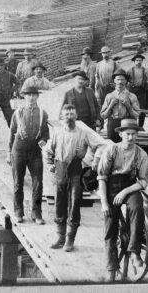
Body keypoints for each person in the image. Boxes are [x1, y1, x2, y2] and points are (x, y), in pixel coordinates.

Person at [43, 104, 105, 252]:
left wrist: (95, 159)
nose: (69, 117)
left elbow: (101, 145)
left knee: (75, 202)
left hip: (76, 170)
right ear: (62, 117)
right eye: (66, 115)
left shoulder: (84, 132)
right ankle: (60, 238)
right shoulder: (57, 133)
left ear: (76, 116)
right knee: (59, 202)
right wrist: (50, 163)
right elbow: (47, 150)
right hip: (60, 168)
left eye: (71, 114)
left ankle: (70, 239)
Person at [97, 118, 148, 282]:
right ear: (120, 134)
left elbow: (143, 182)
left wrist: (126, 191)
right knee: (110, 226)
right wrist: (104, 202)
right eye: (128, 134)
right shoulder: (111, 150)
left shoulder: (141, 154)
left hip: (130, 186)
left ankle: (134, 252)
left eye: (134, 134)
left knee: (137, 207)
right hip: (111, 186)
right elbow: (102, 177)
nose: (131, 137)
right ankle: (112, 268)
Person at [7, 86, 49, 224]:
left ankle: (36, 213)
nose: (31, 98)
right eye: (28, 95)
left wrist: (43, 139)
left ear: (37, 96)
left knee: (38, 183)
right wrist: (9, 153)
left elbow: (45, 132)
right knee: (18, 182)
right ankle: (18, 212)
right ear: (24, 96)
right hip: (19, 150)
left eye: (33, 95)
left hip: (35, 151)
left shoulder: (43, 113)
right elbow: (11, 134)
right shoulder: (18, 113)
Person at [100, 69, 140, 143]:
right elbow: (103, 116)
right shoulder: (109, 96)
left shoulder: (131, 96)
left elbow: (136, 115)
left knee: (125, 146)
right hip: (112, 124)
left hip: (126, 123)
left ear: (125, 81)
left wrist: (128, 106)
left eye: (122, 80)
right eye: (118, 79)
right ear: (114, 81)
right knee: (111, 146)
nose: (120, 82)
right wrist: (111, 105)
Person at [0, 57, 18, 143]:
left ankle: (14, 134)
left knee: (10, 118)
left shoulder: (9, 75)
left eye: (2, 65)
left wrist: (11, 91)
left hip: (6, 100)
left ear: (4, 66)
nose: (0, 67)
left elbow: (18, 83)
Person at [127, 54, 148, 128]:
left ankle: (140, 126)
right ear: (134, 62)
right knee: (131, 107)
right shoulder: (130, 70)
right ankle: (132, 124)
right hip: (132, 90)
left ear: (142, 61)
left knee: (142, 109)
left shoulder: (146, 70)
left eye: (140, 60)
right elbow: (125, 80)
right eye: (137, 60)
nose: (138, 62)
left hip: (142, 90)